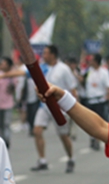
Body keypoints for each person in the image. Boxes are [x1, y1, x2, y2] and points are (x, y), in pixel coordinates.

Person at [31, 45, 78, 174]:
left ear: (53, 55)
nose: (43, 56)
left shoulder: (64, 69)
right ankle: (42, 160)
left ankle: (71, 158)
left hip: (60, 108)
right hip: (44, 106)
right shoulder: (42, 68)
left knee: (63, 136)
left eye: (46, 53)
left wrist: (74, 109)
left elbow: (72, 88)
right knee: (37, 130)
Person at [81, 53, 109, 150]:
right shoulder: (89, 71)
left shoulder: (104, 72)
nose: (90, 62)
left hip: (100, 100)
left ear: (96, 61)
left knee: (99, 122)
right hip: (90, 100)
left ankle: (98, 139)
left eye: (91, 60)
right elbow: (83, 81)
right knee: (89, 122)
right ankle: (92, 138)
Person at [0, 57, 18, 147]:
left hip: (8, 103)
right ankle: (1, 139)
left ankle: (6, 140)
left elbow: (15, 85)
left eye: (4, 64)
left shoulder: (13, 76)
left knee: (6, 123)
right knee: (0, 124)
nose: (2, 65)